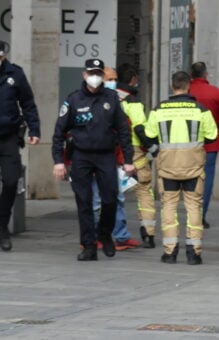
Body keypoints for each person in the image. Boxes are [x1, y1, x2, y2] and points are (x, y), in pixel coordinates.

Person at [52, 58, 135, 261]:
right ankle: (88, 245)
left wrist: (128, 160)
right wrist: (58, 161)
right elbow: (59, 132)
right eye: (92, 73)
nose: (95, 77)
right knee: (84, 202)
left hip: (106, 155)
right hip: (81, 156)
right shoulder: (73, 100)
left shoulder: (112, 99)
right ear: (84, 75)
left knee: (110, 198)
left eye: (99, 73)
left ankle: (105, 233)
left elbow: (124, 131)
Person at [145, 71, 218, 265]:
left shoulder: (158, 110)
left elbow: (149, 135)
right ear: (189, 86)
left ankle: (170, 252)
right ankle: (194, 253)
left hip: (168, 167)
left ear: (172, 86)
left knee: (168, 206)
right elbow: (212, 135)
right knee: (194, 207)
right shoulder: (201, 110)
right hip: (193, 167)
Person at [89, 67, 141, 250]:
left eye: (115, 78)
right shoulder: (85, 100)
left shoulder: (117, 100)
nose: (113, 82)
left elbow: (124, 132)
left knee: (116, 199)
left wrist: (126, 160)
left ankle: (120, 236)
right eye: (109, 78)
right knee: (95, 201)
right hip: (93, 157)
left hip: (113, 159)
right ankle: (94, 237)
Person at [0, 46, 40, 251]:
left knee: (11, 181)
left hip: (7, 137)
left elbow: (27, 103)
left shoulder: (14, 74)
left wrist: (35, 129)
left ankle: (2, 226)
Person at [116, 63, 158, 248]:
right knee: (144, 191)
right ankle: (148, 233)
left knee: (111, 194)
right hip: (134, 153)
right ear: (133, 80)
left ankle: (112, 232)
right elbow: (140, 128)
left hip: (111, 152)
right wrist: (152, 147)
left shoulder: (109, 98)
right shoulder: (133, 102)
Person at [189, 62, 219, 228]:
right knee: (206, 180)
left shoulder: (186, 92)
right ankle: (201, 214)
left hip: (187, 144)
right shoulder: (214, 92)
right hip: (210, 144)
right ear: (206, 75)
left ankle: (191, 212)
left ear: (191, 75)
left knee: (189, 179)